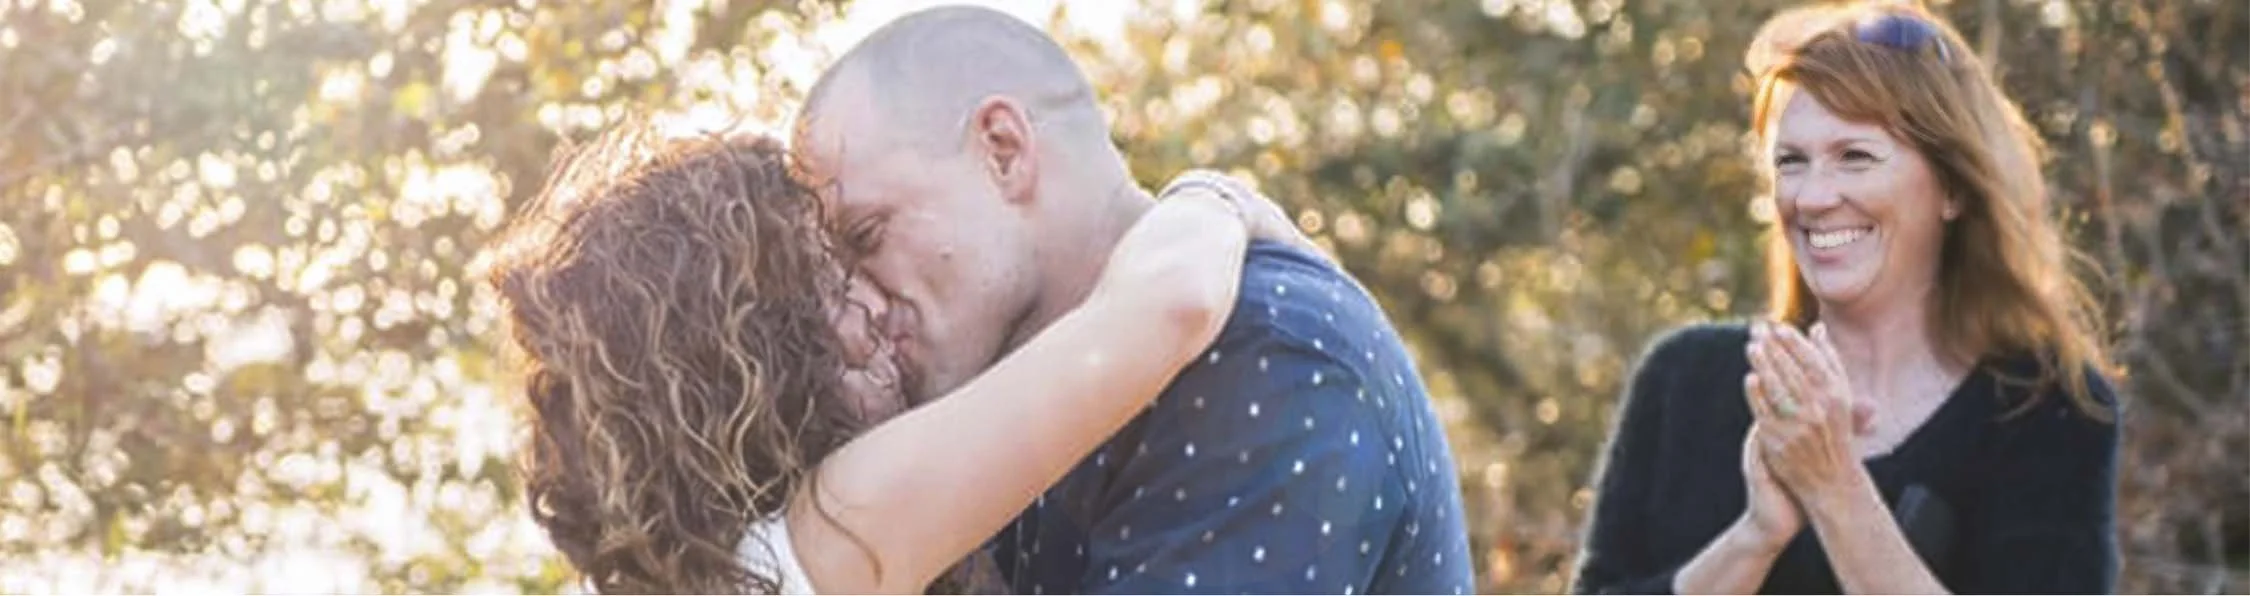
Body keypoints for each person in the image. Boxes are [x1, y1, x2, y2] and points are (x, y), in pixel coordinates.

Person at [790, 6, 1476, 594]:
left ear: (1003, 150)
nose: (861, 303)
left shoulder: (1261, 354)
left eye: (867, 235)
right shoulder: (1021, 399)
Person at [480, 122, 1311, 593]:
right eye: (829, 278)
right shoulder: (815, 541)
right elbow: (1168, 307)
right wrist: (1214, 196)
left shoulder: (662, 574)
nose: (878, 304)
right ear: (742, 353)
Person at [1571, 2, 2123, 594]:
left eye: (1854, 157)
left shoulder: (2045, 406)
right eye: (1792, 162)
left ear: (1954, 188)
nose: (1812, 197)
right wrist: (1755, 538)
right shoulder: (1683, 379)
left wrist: (1833, 487)